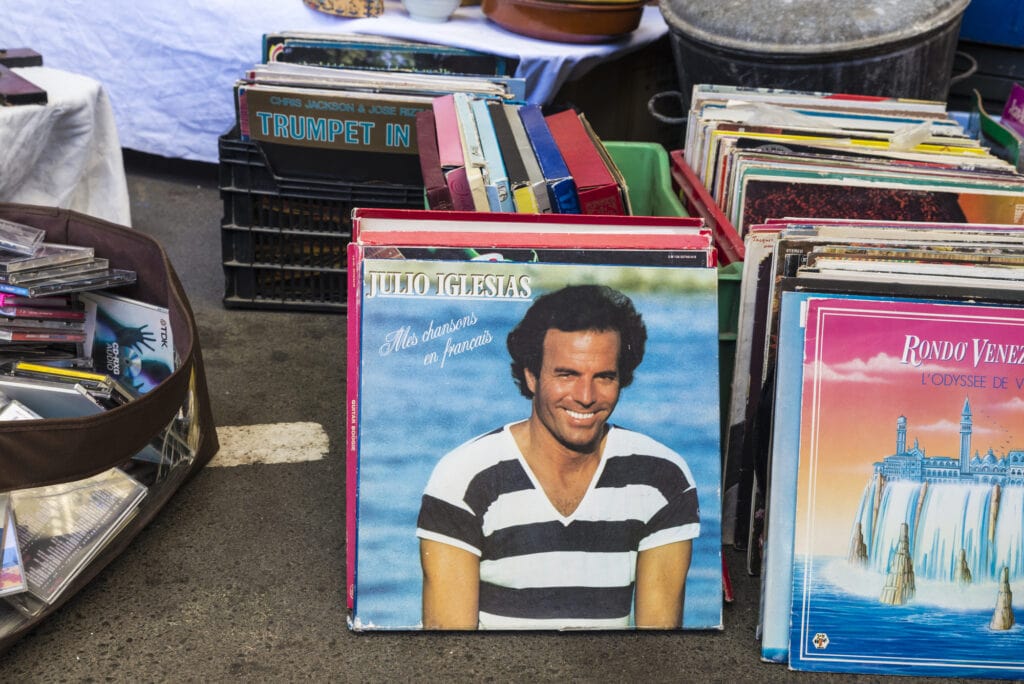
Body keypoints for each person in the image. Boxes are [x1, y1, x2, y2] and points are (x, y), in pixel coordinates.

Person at [416, 284, 700, 630]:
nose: (586, 396)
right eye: (567, 374)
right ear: (531, 376)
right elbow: (448, 650)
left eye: (604, 377)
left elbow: (659, 648)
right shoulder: (463, 478)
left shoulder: (661, 478)